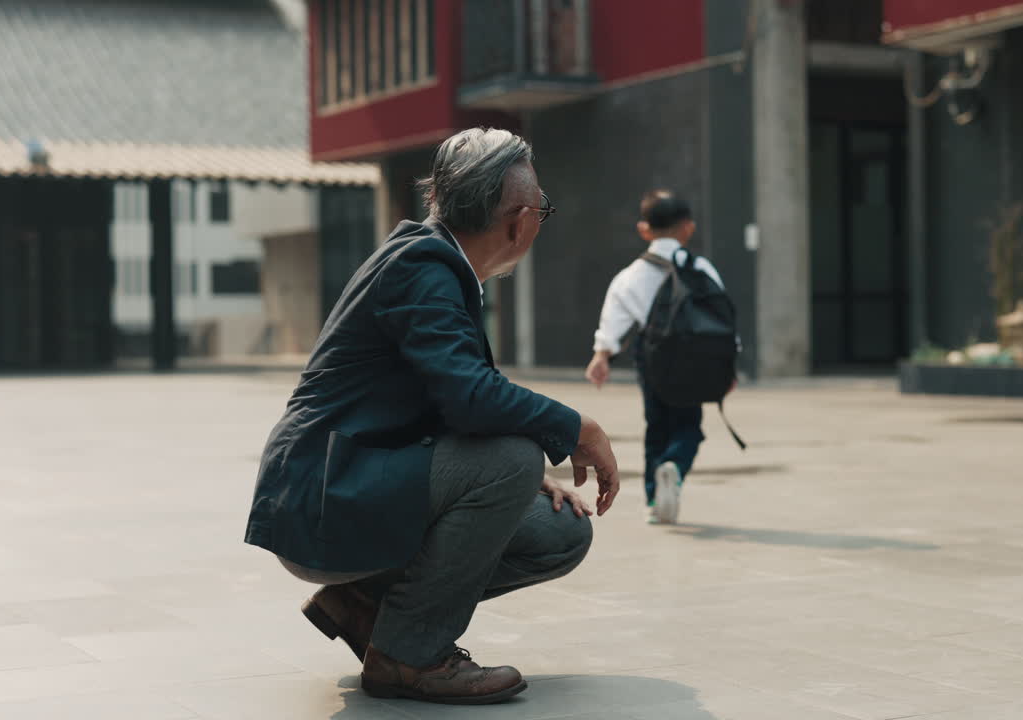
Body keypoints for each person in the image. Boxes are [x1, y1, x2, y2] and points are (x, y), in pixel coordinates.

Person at [244, 128, 620, 706]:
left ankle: (364, 605)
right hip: (324, 499)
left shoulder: (434, 265)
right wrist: (577, 428)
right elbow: (471, 396)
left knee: (558, 533)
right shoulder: (423, 268)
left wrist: (519, 476)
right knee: (515, 458)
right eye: (542, 208)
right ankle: (409, 655)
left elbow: (447, 400)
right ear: (519, 220)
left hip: (350, 483)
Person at [585, 191, 727, 525]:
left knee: (656, 425)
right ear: (688, 228)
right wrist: (728, 363)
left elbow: (614, 319)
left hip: (652, 356)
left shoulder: (630, 275)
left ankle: (652, 499)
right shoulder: (701, 268)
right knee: (688, 425)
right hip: (694, 358)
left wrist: (601, 355)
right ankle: (675, 466)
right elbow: (721, 316)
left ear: (644, 230)